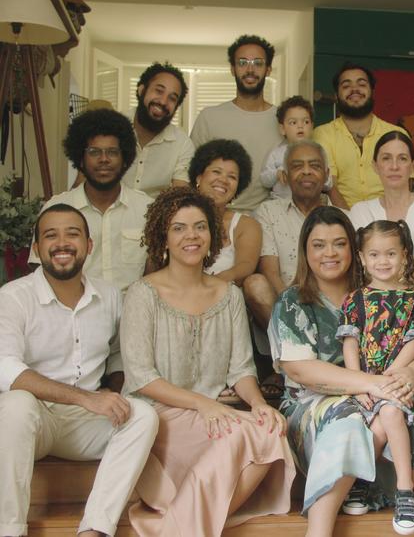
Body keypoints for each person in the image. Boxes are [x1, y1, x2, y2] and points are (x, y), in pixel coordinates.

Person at [268, 206, 414, 537]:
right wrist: (372, 385)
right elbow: (302, 371)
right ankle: (320, 530)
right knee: (350, 420)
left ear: (352, 250)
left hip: (384, 387)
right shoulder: (293, 301)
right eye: (318, 245)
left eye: (338, 243)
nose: (329, 253)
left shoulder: (382, 290)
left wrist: (412, 375)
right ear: (304, 251)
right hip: (315, 400)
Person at [121, 187, 294, 535]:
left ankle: (182, 524)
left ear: (212, 235)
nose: (191, 236)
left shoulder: (229, 295)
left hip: (215, 414)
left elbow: (241, 368)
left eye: (200, 227)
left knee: (271, 429)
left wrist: (259, 403)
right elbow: (142, 378)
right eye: (179, 228)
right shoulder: (142, 294)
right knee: (242, 435)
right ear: (163, 238)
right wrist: (203, 405)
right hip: (157, 415)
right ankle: (192, 521)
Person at [0, 204, 158, 537]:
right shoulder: (13, 297)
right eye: (50, 235)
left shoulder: (110, 296)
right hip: (35, 421)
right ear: (36, 248)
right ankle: (9, 530)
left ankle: (95, 528)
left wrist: (113, 391)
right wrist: (87, 398)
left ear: (89, 245)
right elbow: (7, 369)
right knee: (16, 404)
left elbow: (118, 356)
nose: (62, 243)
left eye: (72, 234)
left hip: (86, 425)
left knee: (143, 414)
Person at [337, 219, 414, 534]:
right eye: (374, 255)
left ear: (404, 255)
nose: (382, 261)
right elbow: (351, 341)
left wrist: (390, 379)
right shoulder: (356, 299)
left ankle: (404, 490)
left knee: (389, 411)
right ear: (362, 258)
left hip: (398, 382)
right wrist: (359, 382)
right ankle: (363, 480)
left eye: (391, 254)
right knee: (376, 419)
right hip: (364, 385)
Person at [31, 108, 152, 292]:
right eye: (94, 152)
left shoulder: (148, 209)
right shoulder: (56, 209)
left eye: (112, 152)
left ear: (125, 159)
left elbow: (160, 272)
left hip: (134, 313)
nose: (104, 159)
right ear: (80, 159)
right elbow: (39, 270)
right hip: (75, 314)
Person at [191, 34, 282, 212]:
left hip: (266, 217)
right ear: (233, 69)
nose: (250, 69)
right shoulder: (209, 117)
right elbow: (190, 173)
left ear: (268, 70)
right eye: (242, 62)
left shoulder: (284, 121)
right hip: (214, 215)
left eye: (258, 63)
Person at [252, 140, 332, 330]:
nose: (306, 171)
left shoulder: (342, 217)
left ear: (326, 175)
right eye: (297, 166)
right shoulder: (268, 212)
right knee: (254, 284)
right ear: (285, 176)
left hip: (331, 309)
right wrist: (294, 311)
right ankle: (290, 344)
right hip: (285, 309)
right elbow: (270, 272)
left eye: (315, 166)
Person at [349, 131, 414, 277]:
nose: (394, 166)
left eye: (402, 159)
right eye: (386, 158)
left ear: (413, 166)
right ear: (375, 166)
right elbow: (358, 256)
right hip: (374, 297)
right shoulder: (360, 211)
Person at [313, 62, 409, 207]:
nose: (354, 90)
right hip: (342, 221)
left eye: (362, 84)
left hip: (390, 221)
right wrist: (349, 223)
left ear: (372, 91)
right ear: (336, 96)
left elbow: (404, 186)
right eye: (346, 86)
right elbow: (330, 187)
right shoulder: (323, 134)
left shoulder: (396, 134)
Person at [188, 138, 262, 287]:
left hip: (224, 297)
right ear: (199, 177)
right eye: (216, 171)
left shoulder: (246, 225)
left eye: (232, 177)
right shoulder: (176, 216)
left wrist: (212, 284)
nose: (223, 180)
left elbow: (246, 265)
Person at [123, 62, 195, 197]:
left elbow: (178, 198)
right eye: (159, 91)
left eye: (172, 98)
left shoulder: (182, 144)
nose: (163, 101)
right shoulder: (111, 127)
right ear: (141, 90)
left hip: (156, 216)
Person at [260, 95, 341, 205]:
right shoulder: (277, 154)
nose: (300, 126)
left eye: (306, 122)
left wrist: (320, 176)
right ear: (282, 129)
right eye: (293, 122)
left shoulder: (318, 152)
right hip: (281, 204)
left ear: (312, 126)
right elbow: (264, 180)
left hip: (311, 204)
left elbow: (328, 184)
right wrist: (276, 174)